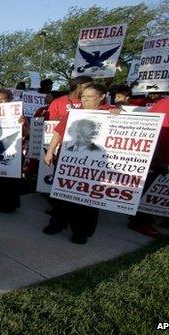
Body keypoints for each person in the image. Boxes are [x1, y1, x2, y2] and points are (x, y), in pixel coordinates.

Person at [43, 83, 120, 244]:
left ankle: (81, 231)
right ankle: (57, 223)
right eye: (83, 97)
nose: (84, 100)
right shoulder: (75, 114)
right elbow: (58, 132)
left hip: (93, 165)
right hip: (68, 160)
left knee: (87, 200)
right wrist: (50, 151)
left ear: (101, 97)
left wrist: (118, 113)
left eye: (89, 97)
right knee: (60, 195)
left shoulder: (111, 112)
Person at [126, 96, 169, 236]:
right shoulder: (168, 104)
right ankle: (139, 221)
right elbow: (154, 131)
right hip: (159, 158)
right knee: (149, 190)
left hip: (168, 157)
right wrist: (157, 159)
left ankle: (164, 218)